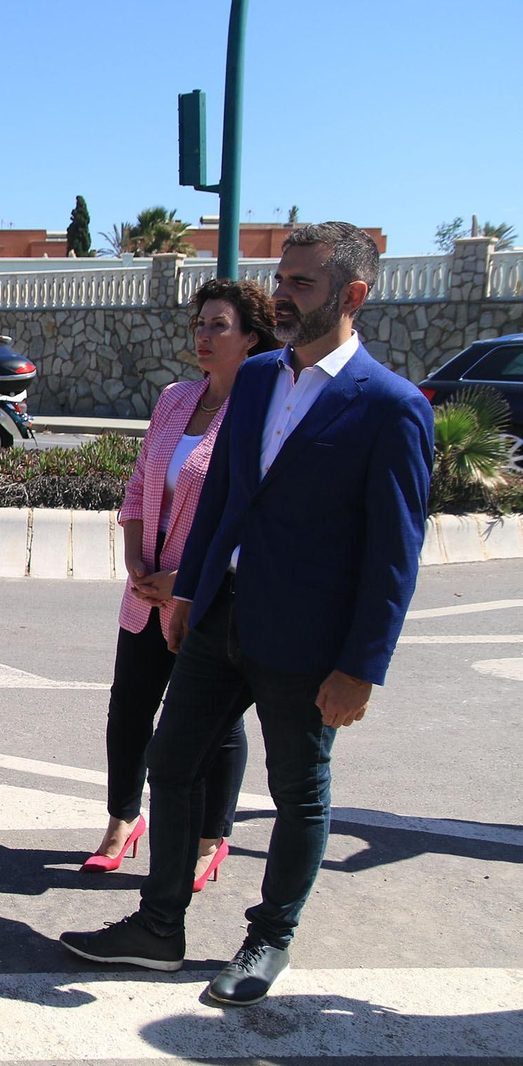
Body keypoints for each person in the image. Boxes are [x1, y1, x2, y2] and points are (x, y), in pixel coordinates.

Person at [61, 222, 434, 1007]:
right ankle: (160, 927)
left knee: (299, 790)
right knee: (171, 761)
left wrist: (361, 667)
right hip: (219, 617)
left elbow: (393, 555)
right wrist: (191, 596)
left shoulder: (391, 407)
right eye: (282, 277)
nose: (283, 294)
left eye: (301, 282)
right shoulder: (261, 378)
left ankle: (268, 939)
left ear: (353, 294)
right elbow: (228, 501)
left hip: (308, 641)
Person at [84, 279, 278, 891]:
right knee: (129, 710)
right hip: (146, 592)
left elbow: (242, 512)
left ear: (251, 337)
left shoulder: (259, 413)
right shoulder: (174, 398)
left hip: (207, 596)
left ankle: (209, 838)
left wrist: (184, 580)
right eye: (199, 322)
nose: (203, 334)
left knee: (217, 722)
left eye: (219, 325)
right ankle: (121, 821)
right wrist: (138, 560)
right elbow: (142, 480)